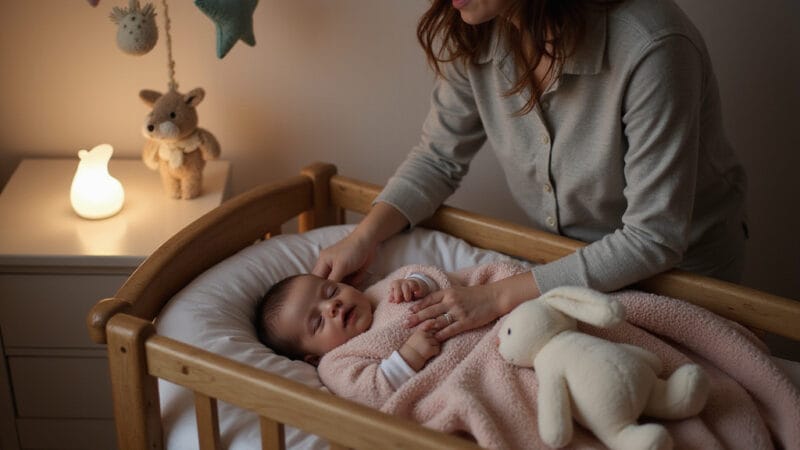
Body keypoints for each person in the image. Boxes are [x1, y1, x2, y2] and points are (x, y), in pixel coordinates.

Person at [313, 0, 747, 343]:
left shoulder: (651, 45)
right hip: (561, 268)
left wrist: (496, 296)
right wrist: (363, 237)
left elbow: (652, 238)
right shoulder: (476, 29)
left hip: (679, 277)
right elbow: (437, 158)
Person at [255, 268, 448, 378]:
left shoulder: (376, 293)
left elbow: (427, 275)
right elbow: (369, 392)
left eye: (331, 292)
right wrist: (411, 356)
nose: (331, 305)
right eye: (318, 321)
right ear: (314, 358)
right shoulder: (337, 363)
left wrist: (417, 283)